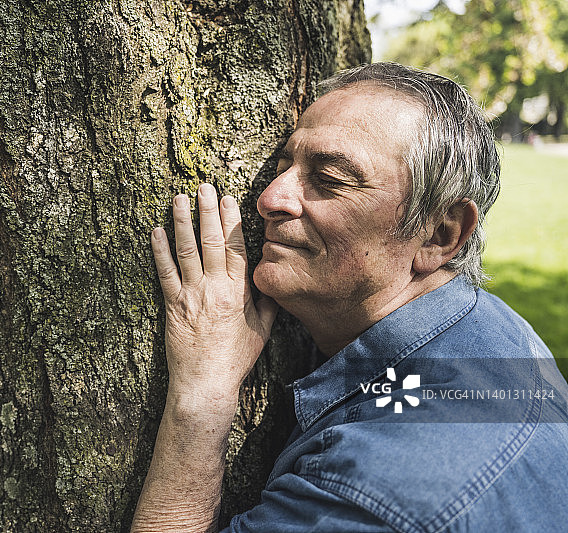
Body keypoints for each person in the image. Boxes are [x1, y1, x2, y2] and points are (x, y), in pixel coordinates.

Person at [129, 62, 568, 532]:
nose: (271, 198)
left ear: (438, 236)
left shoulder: (385, 490)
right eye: (283, 166)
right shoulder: (486, 334)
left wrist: (201, 399)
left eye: (330, 180)